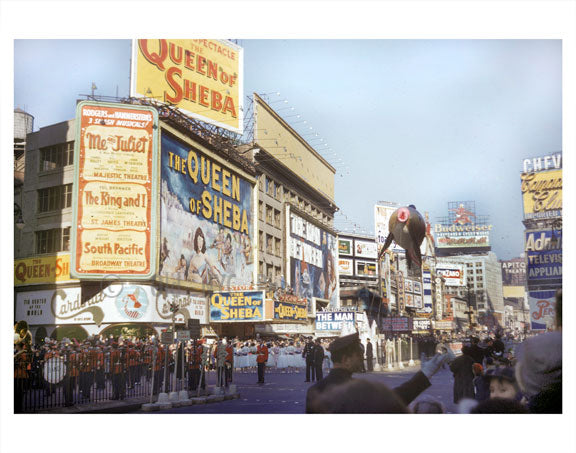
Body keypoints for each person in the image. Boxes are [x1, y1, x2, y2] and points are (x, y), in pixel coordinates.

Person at [306, 332, 449, 413]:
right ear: (346, 359)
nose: (362, 358)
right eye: (358, 354)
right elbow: (394, 400)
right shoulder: (357, 389)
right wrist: (424, 374)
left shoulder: (314, 391)